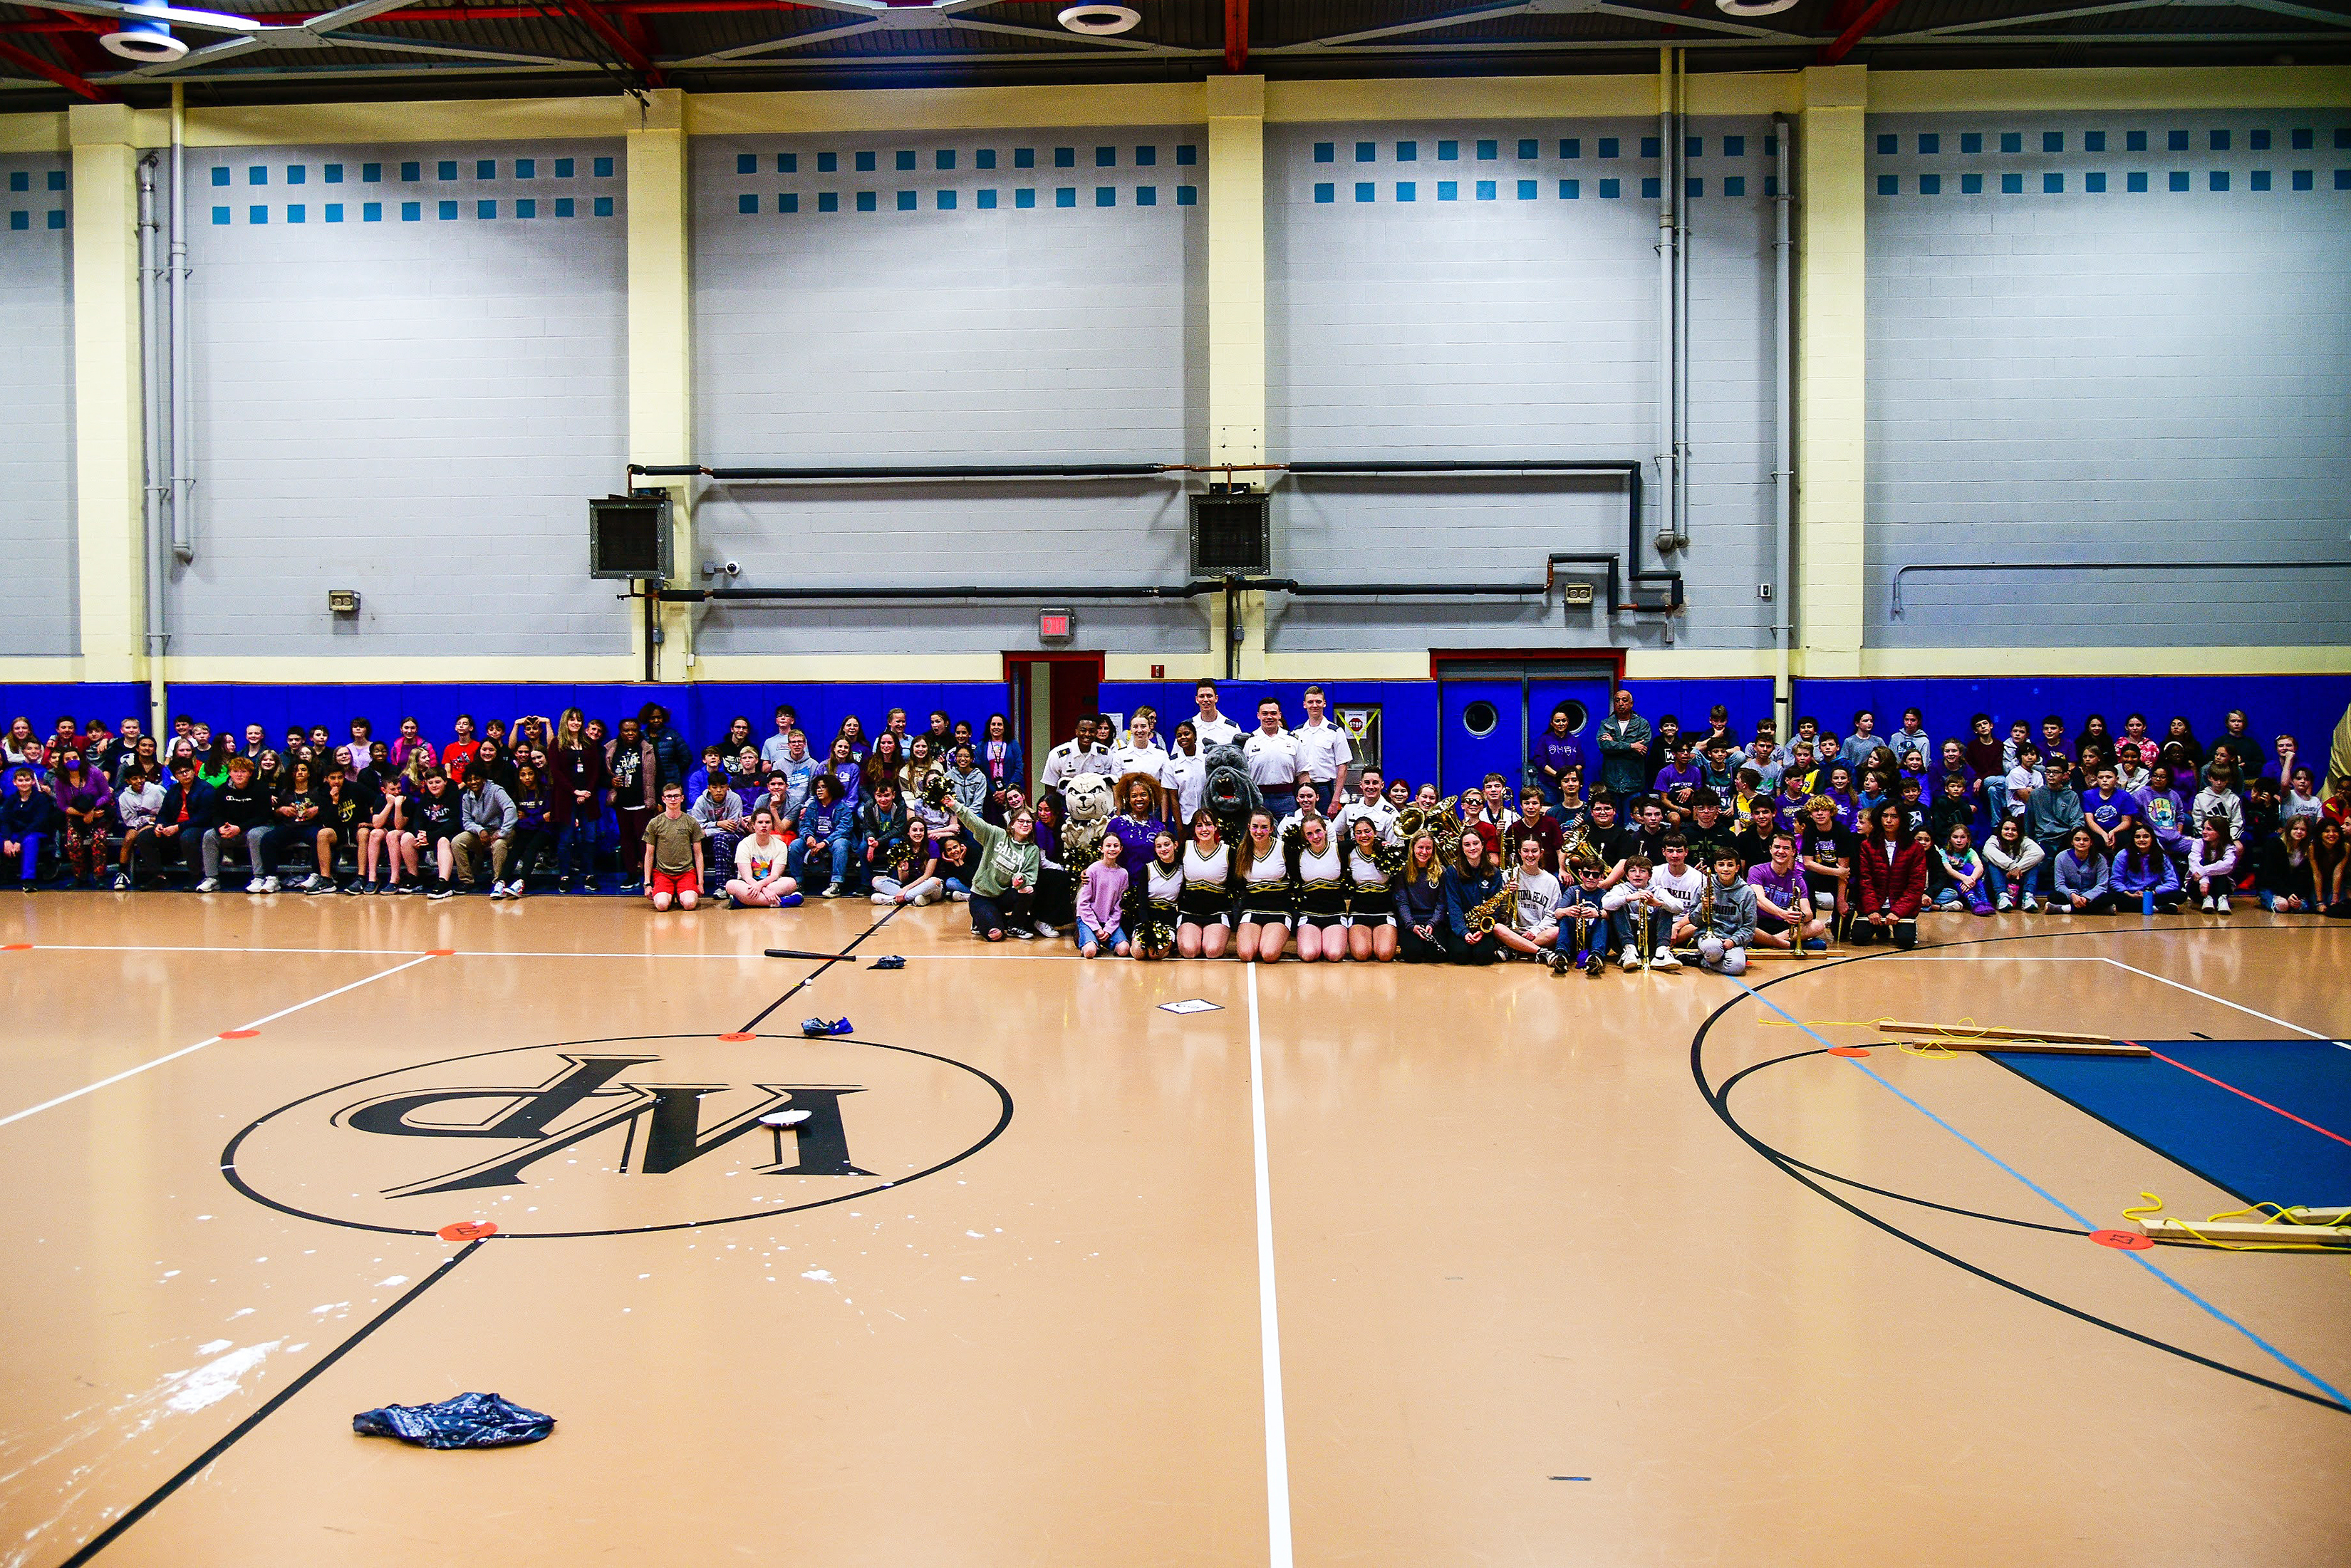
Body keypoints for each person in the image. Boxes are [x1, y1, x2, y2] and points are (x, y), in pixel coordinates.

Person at [948, 796, 1040, 942]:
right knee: (995, 935)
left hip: (1003, 896)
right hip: (981, 896)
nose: (1025, 825)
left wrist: (1021, 880)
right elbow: (976, 823)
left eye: (1029, 822)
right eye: (1021, 821)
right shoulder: (997, 834)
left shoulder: (1032, 850)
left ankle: (1014, 926)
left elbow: (1030, 875)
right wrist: (956, 806)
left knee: (1028, 891)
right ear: (1012, 824)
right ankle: (983, 919)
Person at [1852, 802, 1927, 947]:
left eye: (1894, 817)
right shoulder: (1867, 846)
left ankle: (1898, 926)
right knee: (1859, 938)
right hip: (1875, 904)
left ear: (1902, 820)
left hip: (1900, 906)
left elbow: (1916, 886)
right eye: (1885, 816)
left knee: (1906, 941)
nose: (1888, 821)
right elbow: (1865, 881)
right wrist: (1872, 909)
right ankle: (1881, 926)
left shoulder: (1915, 848)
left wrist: (1898, 912)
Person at [1440, 825, 1506, 967]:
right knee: (1460, 956)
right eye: (1467, 845)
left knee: (1484, 957)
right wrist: (1463, 932)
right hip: (1460, 925)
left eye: (1476, 843)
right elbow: (1453, 905)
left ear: (1483, 845)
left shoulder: (1494, 872)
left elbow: (1495, 906)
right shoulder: (1452, 871)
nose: (1472, 848)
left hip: (1483, 926)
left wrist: (1483, 930)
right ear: (1462, 848)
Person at [1233, 810, 1294, 963]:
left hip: (1279, 909)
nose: (1259, 831)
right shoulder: (1241, 851)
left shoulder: (1283, 849)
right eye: (1255, 827)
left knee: (1269, 954)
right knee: (1246, 954)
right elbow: (1238, 885)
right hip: (1252, 909)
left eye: (1264, 827)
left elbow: (1296, 879)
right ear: (1248, 827)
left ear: (1272, 829)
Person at [1751, 831, 1829, 947]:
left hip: (1784, 927)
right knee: (1745, 927)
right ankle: (1784, 944)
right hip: (1760, 923)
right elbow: (1759, 900)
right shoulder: (1757, 871)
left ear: (1793, 852)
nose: (1781, 851)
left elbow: (1808, 913)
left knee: (1818, 925)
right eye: (1777, 847)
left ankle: (1769, 942)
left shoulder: (1798, 880)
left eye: (1786, 848)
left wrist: (1799, 915)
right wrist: (1784, 914)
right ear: (1770, 849)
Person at [450, 764, 519, 896]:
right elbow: (467, 821)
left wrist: (503, 832)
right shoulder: (466, 797)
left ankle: (499, 882)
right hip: (481, 833)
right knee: (457, 842)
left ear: (483, 779)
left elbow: (511, 809)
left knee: (499, 845)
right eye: (470, 779)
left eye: (476, 778)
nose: (473, 782)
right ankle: (467, 881)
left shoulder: (496, 790)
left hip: (502, 831)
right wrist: (480, 830)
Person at [1601, 853, 1678, 970]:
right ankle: (1629, 951)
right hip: (1624, 938)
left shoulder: (1657, 890)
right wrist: (1629, 898)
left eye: (1642, 871)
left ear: (1650, 876)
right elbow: (1606, 903)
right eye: (1633, 871)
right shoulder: (1620, 888)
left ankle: (1662, 953)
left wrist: (1658, 903)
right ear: (1627, 875)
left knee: (1665, 907)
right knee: (1617, 905)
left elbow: (1679, 907)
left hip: (1650, 939)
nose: (1637, 874)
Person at [1177, 810, 1234, 960]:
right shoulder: (1185, 848)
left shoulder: (1227, 851)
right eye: (1199, 825)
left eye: (1209, 825)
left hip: (1217, 912)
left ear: (1216, 827)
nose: (1204, 829)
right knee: (1189, 951)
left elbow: (1236, 884)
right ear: (1194, 829)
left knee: (1212, 951)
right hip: (1190, 912)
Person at [640, 782, 705, 911]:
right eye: (669, 796)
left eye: (676, 796)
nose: (673, 799)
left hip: (686, 873)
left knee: (690, 904)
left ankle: (682, 894)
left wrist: (701, 882)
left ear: (682, 798)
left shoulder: (691, 822)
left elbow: (698, 854)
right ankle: (669, 894)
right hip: (662, 874)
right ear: (663, 799)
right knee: (662, 906)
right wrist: (647, 883)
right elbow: (649, 854)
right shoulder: (655, 823)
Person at [1695, 850, 1760, 975]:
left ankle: (1703, 961)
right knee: (1713, 950)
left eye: (1730, 865)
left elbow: (1749, 927)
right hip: (1710, 938)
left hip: (1733, 939)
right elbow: (1694, 920)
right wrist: (1702, 907)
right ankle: (1711, 957)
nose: (1725, 869)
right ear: (1715, 867)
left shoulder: (1747, 892)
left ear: (1737, 868)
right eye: (1721, 865)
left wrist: (1733, 941)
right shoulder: (1705, 886)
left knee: (1737, 967)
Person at [789, 774, 853, 897]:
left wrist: (825, 842)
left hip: (833, 840)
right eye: (817, 787)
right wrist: (809, 837)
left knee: (841, 845)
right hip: (816, 838)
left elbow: (844, 829)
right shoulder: (812, 807)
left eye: (823, 787)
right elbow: (805, 825)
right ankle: (798, 883)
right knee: (795, 845)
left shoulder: (843, 808)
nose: (819, 790)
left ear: (832, 788)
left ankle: (836, 884)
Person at [726, 807, 803, 908]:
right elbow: (747, 877)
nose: (764, 826)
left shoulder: (780, 845)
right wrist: (764, 891)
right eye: (760, 822)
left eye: (767, 822)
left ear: (772, 825)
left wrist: (762, 887)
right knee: (730, 885)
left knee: (791, 883)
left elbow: (775, 875)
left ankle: (742, 902)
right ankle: (781, 902)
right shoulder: (744, 844)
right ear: (753, 825)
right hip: (749, 884)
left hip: (771, 884)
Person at [1243, 700, 1304, 823]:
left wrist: (1305, 795)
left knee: (1289, 835)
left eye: (1273, 713)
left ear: (1279, 715)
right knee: (1258, 835)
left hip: (1286, 798)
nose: (1269, 717)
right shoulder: (1248, 741)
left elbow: (1303, 773)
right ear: (1258, 715)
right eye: (1265, 713)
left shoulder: (1292, 740)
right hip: (1258, 798)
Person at [1294, 685, 1355, 804]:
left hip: (1325, 788)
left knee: (1325, 822)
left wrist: (1336, 799)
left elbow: (1343, 767)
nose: (1315, 705)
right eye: (1310, 702)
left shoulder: (1335, 732)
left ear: (1324, 703)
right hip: (1302, 788)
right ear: (1304, 705)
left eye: (1318, 702)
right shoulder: (1297, 732)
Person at [504, 762, 558, 897]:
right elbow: (519, 821)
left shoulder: (546, 792)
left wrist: (530, 817)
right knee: (516, 849)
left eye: (530, 774)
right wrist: (538, 817)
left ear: (536, 774)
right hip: (526, 829)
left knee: (532, 848)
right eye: (523, 775)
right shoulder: (517, 794)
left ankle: (521, 883)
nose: (527, 778)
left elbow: (549, 818)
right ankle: (501, 881)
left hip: (546, 831)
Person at [1, 766, 57, 891]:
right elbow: (5, 821)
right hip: (14, 834)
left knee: (30, 841)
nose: (24, 783)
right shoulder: (11, 800)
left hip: (36, 833)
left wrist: (19, 841)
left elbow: (38, 823)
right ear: (14, 783)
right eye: (20, 781)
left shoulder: (41, 799)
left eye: (27, 780)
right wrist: (6, 840)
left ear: (33, 782)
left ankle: (28, 880)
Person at [1075, 835, 1131, 958]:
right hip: (1088, 920)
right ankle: (1087, 939)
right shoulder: (1093, 870)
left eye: (1116, 846)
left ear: (1121, 849)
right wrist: (1096, 928)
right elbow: (1083, 904)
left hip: (1108, 921)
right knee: (1090, 952)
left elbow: (1120, 905)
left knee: (1124, 949)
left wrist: (1109, 929)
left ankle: (1099, 940)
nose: (1112, 849)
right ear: (1101, 849)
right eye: (1108, 846)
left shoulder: (1123, 874)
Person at [363, 772, 417, 893]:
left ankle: (394, 879)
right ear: (384, 790)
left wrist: (397, 806)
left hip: (405, 833)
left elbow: (399, 826)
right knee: (375, 834)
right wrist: (389, 804)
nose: (397, 792)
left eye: (399, 788)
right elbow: (376, 824)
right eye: (392, 789)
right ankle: (372, 879)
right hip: (388, 830)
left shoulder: (407, 800)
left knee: (392, 835)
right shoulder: (380, 800)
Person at [413, 768, 464, 898]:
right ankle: (413, 878)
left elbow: (455, 823)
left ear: (445, 782)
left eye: (437, 782)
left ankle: (443, 883)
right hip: (429, 835)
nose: (434, 785)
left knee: (442, 841)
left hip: (449, 834)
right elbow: (418, 818)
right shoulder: (425, 797)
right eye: (430, 783)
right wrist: (420, 834)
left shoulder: (455, 796)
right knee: (407, 838)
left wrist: (430, 836)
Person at [2112, 822, 2183, 913]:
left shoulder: (2161, 856)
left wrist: (2152, 893)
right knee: (2112, 897)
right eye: (2137, 837)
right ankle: (2157, 908)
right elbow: (2115, 881)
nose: (2141, 840)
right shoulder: (2123, 855)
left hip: (2154, 894)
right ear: (2133, 839)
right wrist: (2129, 894)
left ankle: (2145, 906)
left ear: (2152, 839)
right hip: (2131, 895)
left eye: (2146, 837)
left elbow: (2173, 882)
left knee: (2181, 895)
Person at [871, 818, 943, 907]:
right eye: (914, 830)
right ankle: (916, 899)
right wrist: (904, 870)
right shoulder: (902, 847)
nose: (918, 833)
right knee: (876, 881)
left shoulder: (932, 845)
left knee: (934, 881)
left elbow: (927, 876)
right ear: (908, 832)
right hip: (911, 885)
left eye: (921, 830)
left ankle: (894, 900)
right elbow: (903, 880)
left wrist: (905, 890)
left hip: (929, 887)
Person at [113, 764, 164, 890]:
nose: (139, 781)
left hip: (158, 823)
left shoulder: (157, 790)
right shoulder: (124, 797)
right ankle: (122, 873)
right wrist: (145, 821)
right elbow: (129, 820)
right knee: (129, 839)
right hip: (136, 824)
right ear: (128, 781)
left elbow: (165, 812)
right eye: (135, 779)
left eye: (141, 778)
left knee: (144, 835)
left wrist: (150, 820)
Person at [1597, 689, 1651, 797]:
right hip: (1611, 784)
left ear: (1631, 704)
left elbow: (1640, 752)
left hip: (1633, 783)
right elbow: (1604, 747)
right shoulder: (1606, 723)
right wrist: (1631, 746)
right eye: (1617, 701)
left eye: (1624, 700)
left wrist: (1614, 746)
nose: (1621, 703)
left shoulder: (1642, 724)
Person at [1983, 816, 2044, 913]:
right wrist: (2014, 867)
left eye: (2014, 830)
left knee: (2034, 863)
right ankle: (2002, 897)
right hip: (1996, 885)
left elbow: (2039, 853)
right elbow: (1988, 851)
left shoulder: (2024, 840)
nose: (2010, 832)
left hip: (2018, 883)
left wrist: (2019, 868)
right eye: (2006, 829)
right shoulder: (1994, 839)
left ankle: (2028, 897)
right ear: (2001, 830)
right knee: (1992, 863)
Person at [1932, 824, 1995, 916]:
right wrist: (1964, 879)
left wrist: (1971, 879)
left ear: (1968, 839)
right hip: (1952, 883)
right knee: (1959, 871)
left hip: (1969, 883)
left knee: (1969, 867)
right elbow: (1948, 869)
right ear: (1950, 839)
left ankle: (1983, 899)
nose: (1959, 841)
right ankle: (1972, 900)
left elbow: (1979, 867)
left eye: (1963, 837)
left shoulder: (1970, 852)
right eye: (1955, 837)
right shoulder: (1943, 852)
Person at [1532, 702, 1583, 807]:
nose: (1561, 724)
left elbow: (1581, 762)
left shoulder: (1574, 740)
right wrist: (1557, 776)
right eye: (1557, 721)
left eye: (1564, 721)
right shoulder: (1545, 739)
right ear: (1552, 723)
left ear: (1568, 722)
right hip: (1548, 785)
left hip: (1569, 785)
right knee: (1550, 814)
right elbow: (1539, 761)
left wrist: (1569, 776)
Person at [2186, 816, 2238, 914]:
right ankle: (2207, 898)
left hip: (2220, 885)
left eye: (2209, 829)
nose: (2204, 832)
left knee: (2221, 868)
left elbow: (2228, 865)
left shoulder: (2229, 847)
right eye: (2204, 828)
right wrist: (2204, 881)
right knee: (2205, 861)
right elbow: (2194, 864)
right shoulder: (2198, 843)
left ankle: (2222, 899)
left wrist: (2204, 872)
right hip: (2198, 887)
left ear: (2220, 832)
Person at [1189, 680, 1242, 749]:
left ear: (1216, 698)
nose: (1205, 700)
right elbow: (1177, 756)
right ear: (1197, 699)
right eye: (1202, 696)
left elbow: (1240, 756)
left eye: (1209, 696)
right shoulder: (1188, 727)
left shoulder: (1232, 728)